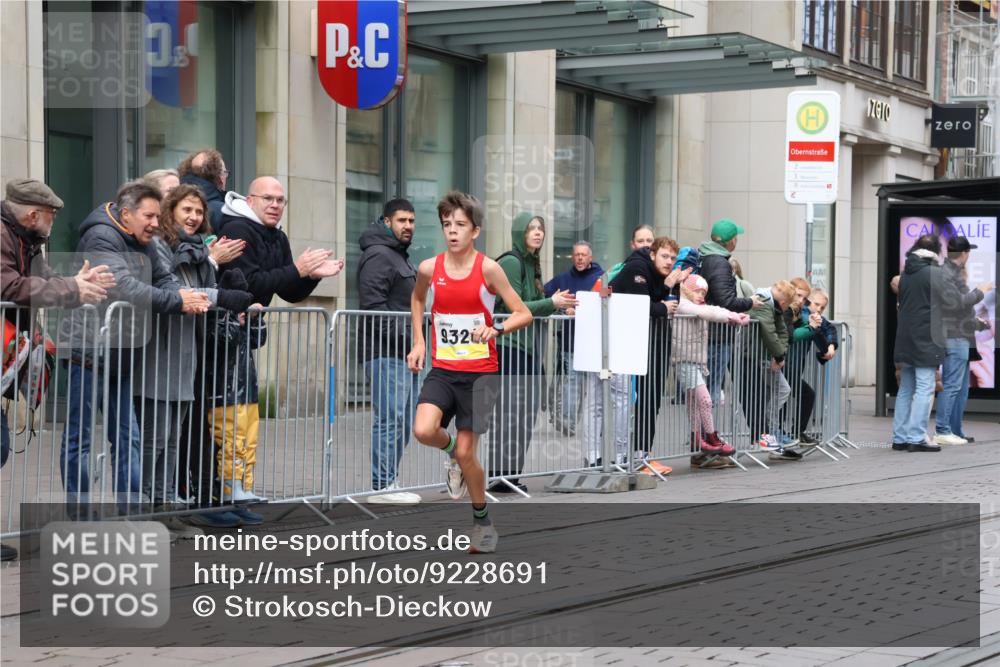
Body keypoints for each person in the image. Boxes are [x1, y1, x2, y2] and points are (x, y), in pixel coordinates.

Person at [59, 181, 211, 509]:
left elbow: (164, 277)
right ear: (126, 214)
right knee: (80, 439)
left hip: (124, 351)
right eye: (149, 216)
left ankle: (129, 511)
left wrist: (180, 294)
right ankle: (79, 513)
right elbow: (124, 287)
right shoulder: (101, 236)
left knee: (129, 437)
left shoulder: (145, 239)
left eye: (158, 216)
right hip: (89, 352)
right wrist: (178, 301)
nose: (156, 223)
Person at [212, 177, 344, 521]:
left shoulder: (277, 235)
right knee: (231, 414)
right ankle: (227, 489)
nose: (275, 205)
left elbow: (288, 290)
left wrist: (311, 275)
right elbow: (250, 285)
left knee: (247, 412)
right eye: (268, 198)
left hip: (247, 334)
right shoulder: (238, 230)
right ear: (250, 200)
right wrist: (297, 269)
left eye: (281, 200)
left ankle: (241, 487)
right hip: (224, 334)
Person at [408, 191, 532, 554]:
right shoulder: (429, 268)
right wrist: (419, 341)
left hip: (480, 374)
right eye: (447, 224)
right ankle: (451, 454)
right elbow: (417, 299)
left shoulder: (488, 269)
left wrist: (496, 329)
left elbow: (523, 313)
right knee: (423, 430)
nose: (452, 231)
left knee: (468, 454)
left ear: (475, 230)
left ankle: (482, 523)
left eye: (460, 225)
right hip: (444, 369)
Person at [1, 178, 114, 561]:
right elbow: (10, 287)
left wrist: (77, 284)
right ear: (34, 214)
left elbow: (46, 280)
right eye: (51, 214)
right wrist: (71, 289)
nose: (53, 221)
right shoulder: (3, 236)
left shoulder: (27, 239)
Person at [137, 184, 254, 532]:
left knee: (173, 441)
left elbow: (201, 297)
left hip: (187, 357)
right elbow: (175, 292)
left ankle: (165, 512)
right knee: (155, 440)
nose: (193, 217)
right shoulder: (161, 246)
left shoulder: (199, 251)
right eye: (186, 209)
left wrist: (228, 298)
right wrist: (221, 295)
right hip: (159, 355)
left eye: (199, 211)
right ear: (170, 210)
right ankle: (144, 512)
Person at [487, 213, 575, 493]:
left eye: (541, 229)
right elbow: (518, 308)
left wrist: (558, 306)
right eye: (531, 228)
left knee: (525, 412)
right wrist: (552, 302)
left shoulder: (531, 264)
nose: (538, 233)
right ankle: (498, 477)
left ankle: (510, 476)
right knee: (510, 413)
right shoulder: (512, 262)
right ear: (519, 232)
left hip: (526, 348)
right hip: (508, 346)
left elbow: (534, 306)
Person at [357, 198, 421, 505]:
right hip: (386, 353)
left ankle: (390, 480)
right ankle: (382, 486)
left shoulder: (398, 255)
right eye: (401, 221)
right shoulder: (379, 255)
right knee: (390, 420)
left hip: (406, 354)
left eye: (411, 221)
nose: (408, 226)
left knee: (404, 422)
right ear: (386, 222)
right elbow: (374, 307)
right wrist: (411, 339)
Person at [608, 236, 689, 472]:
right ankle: (626, 456)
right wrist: (664, 296)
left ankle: (643, 453)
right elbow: (640, 305)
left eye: (672, 258)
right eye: (664, 256)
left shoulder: (666, 275)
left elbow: (670, 304)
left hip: (655, 341)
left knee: (652, 398)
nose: (669, 262)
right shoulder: (637, 267)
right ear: (652, 255)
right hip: (629, 343)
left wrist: (671, 286)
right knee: (633, 400)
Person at [581, 228, 654, 469]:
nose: (645, 245)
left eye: (649, 241)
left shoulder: (629, 268)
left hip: (608, 340)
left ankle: (600, 455)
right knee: (612, 400)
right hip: (610, 341)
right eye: (641, 240)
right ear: (632, 243)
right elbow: (642, 304)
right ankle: (612, 455)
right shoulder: (634, 269)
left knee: (604, 401)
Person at [672, 274, 748, 461]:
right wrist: (731, 316)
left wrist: (733, 315)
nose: (701, 296)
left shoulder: (697, 306)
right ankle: (711, 436)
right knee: (705, 399)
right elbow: (707, 312)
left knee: (694, 403)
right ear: (687, 290)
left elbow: (711, 309)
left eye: (703, 293)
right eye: (697, 291)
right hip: (684, 360)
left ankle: (697, 437)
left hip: (696, 361)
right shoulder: (682, 304)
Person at [934, 236, 993, 446]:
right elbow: (957, 304)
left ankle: (955, 431)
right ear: (965, 253)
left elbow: (958, 309)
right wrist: (980, 291)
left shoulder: (951, 272)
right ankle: (943, 430)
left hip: (961, 337)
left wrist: (977, 323)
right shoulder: (947, 273)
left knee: (960, 389)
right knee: (952, 387)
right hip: (954, 338)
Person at [892, 234, 946, 453]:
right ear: (936, 250)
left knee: (906, 388)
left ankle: (900, 437)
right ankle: (916, 437)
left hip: (905, 338)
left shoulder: (906, 274)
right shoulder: (935, 273)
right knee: (925, 387)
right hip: (927, 338)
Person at [543, 241, 603, 437]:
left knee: (593, 387)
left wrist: (578, 310)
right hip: (570, 342)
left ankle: (595, 426)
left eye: (583, 255)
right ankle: (568, 422)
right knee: (572, 383)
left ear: (590, 257)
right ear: (572, 257)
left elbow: (604, 304)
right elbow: (545, 293)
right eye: (577, 254)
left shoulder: (600, 278)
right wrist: (559, 306)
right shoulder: (563, 279)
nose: (580, 258)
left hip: (594, 343)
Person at [699, 219, 761, 404]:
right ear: (732, 241)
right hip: (717, 335)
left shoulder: (705, 257)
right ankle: (706, 424)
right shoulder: (720, 263)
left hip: (710, 332)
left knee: (706, 391)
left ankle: (704, 423)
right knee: (711, 391)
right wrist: (750, 302)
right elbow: (726, 300)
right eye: (736, 237)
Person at [738, 280, 800, 460]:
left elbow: (782, 332)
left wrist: (780, 355)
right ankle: (766, 434)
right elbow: (769, 332)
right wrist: (779, 356)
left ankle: (768, 434)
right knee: (757, 397)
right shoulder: (764, 302)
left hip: (759, 356)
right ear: (784, 302)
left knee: (766, 394)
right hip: (750, 355)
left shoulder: (773, 305)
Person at [178, 149, 228, 229]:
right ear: (220, 178)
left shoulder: (174, 202)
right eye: (225, 173)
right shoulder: (222, 211)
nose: (194, 217)